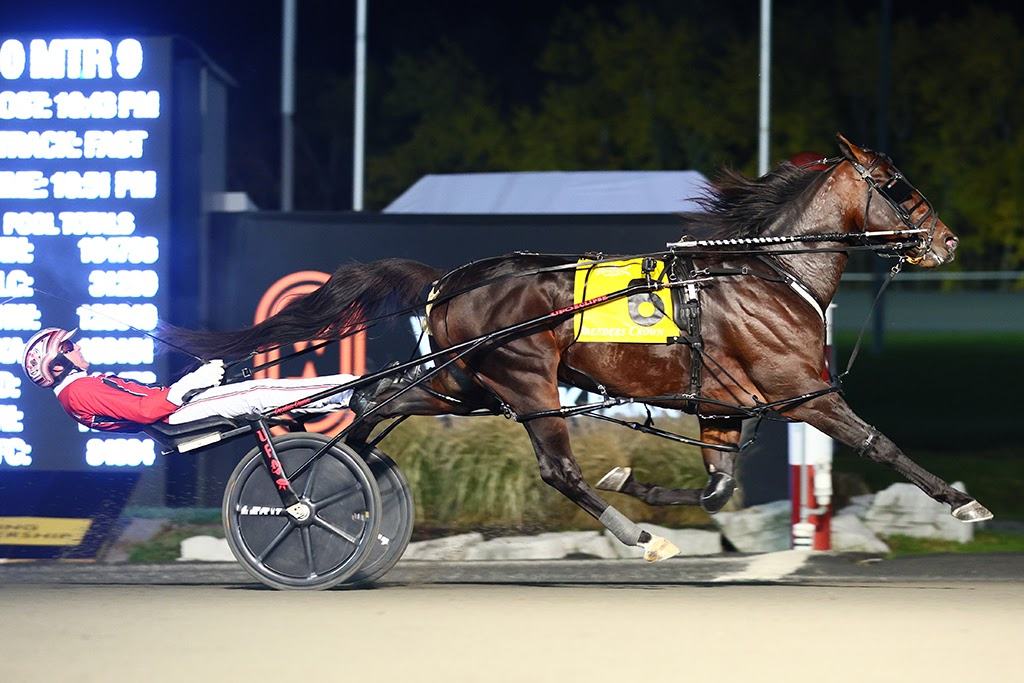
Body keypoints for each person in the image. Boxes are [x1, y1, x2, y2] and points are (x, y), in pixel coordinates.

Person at [21, 327, 362, 432]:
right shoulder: (77, 392)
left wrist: (194, 381)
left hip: (173, 411)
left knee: (252, 387)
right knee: (257, 391)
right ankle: (350, 390)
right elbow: (141, 411)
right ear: (56, 366)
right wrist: (190, 384)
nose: (77, 346)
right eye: (68, 346)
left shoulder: (79, 389)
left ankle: (343, 392)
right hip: (173, 417)